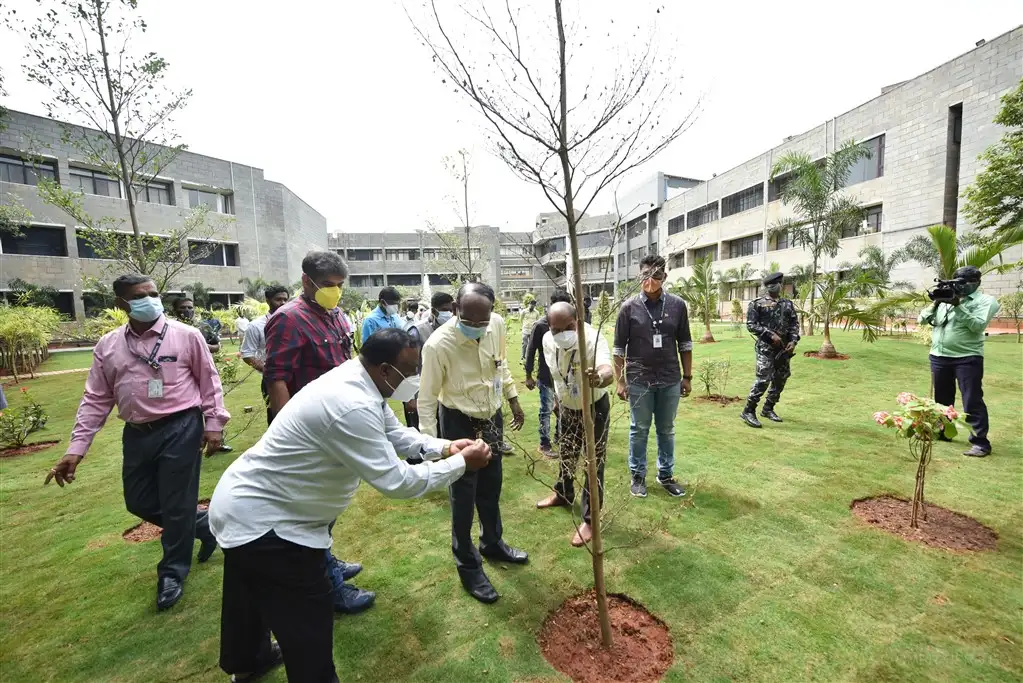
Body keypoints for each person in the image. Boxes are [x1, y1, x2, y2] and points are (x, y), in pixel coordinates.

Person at [211, 329, 494, 682]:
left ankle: (249, 661)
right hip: (270, 525)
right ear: (385, 369)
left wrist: (444, 447)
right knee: (307, 622)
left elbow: (394, 433)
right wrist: (462, 465)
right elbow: (397, 482)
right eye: (410, 369)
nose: (416, 376)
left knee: (250, 594)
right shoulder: (351, 406)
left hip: (246, 504)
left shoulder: (358, 379)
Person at [45, 274, 229, 611]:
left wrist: (214, 424)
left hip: (181, 426)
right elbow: (95, 399)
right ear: (121, 303)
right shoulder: (109, 345)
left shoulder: (186, 336)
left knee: (175, 503)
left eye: (153, 293)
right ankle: (203, 526)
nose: (150, 299)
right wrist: (76, 449)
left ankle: (172, 574)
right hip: (137, 432)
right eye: (139, 295)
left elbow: (209, 381)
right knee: (138, 501)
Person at [263, 251, 371, 615]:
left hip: (336, 423)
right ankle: (329, 587)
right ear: (307, 281)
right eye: (328, 286)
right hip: (307, 432)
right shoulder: (287, 319)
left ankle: (327, 562)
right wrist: (286, 431)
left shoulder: (337, 315)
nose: (336, 293)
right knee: (309, 513)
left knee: (325, 507)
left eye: (341, 286)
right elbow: (276, 377)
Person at [419, 282, 527, 604]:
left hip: (490, 417)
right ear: (455, 309)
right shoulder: (438, 345)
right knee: (463, 496)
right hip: (457, 421)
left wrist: (513, 398)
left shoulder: (496, 325)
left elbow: (501, 366)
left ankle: (492, 543)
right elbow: (425, 401)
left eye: (483, 321)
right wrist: (433, 447)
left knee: (492, 485)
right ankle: (468, 565)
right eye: (469, 320)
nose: (477, 328)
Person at [613, 254, 692, 499]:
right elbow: (618, 349)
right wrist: (620, 380)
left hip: (669, 378)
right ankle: (637, 476)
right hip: (639, 380)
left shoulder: (678, 306)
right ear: (640, 276)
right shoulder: (628, 308)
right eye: (646, 275)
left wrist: (687, 376)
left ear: (664, 277)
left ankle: (665, 475)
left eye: (656, 275)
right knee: (639, 429)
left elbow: (685, 344)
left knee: (666, 430)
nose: (650, 280)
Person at [535, 302, 613, 547]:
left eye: (568, 327)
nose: (563, 333)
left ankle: (591, 520)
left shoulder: (593, 338)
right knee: (566, 455)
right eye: (557, 329)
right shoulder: (549, 340)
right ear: (550, 327)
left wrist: (599, 377)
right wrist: (559, 401)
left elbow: (607, 368)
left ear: (577, 321)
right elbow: (556, 374)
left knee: (593, 463)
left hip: (593, 408)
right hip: (567, 407)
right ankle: (563, 494)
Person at [917, 265, 1001, 457]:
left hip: (967, 358)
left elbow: (977, 326)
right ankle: (943, 432)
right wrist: (936, 303)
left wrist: (958, 305)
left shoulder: (986, 301)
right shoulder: (946, 298)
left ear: (976, 283)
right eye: (956, 283)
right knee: (942, 400)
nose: (959, 287)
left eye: (963, 283)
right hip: (939, 356)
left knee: (971, 400)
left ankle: (980, 443)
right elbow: (922, 320)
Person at [740, 272, 800, 429]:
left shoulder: (787, 304)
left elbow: (794, 324)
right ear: (768, 286)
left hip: (784, 349)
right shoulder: (757, 304)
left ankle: (768, 409)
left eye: (780, 283)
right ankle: (748, 411)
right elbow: (751, 325)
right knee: (763, 380)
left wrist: (793, 341)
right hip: (766, 348)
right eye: (775, 283)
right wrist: (769, 334)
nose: (778, 286)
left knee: (781, 379)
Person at [524, 290, 572, 456]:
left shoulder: (571, 323)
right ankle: (544, 443)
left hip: (565, 376)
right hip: (546, 376)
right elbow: (530, 352)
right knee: (546, 409)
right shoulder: (540, 326)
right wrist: (528, 375)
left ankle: (562, 437)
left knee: (564, 408)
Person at [403, 292, 456, 431]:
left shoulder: (454, 329)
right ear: (433, 311)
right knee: (421, 431)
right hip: (422, 391)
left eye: (451, 310)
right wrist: (410, 396)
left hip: (446, 393)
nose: (449, 314)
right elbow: (408, 366)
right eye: (445, 310)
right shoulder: (418, 331)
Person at [240, 285, 291, 425]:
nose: (282, 303)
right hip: (272, 380)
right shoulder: (256, 326)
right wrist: (267, 370)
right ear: (267, 301)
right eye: (278, 299)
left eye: (285, 300)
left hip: (296, 377)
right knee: (277, 418)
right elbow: (247, 354)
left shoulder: (294, 322)